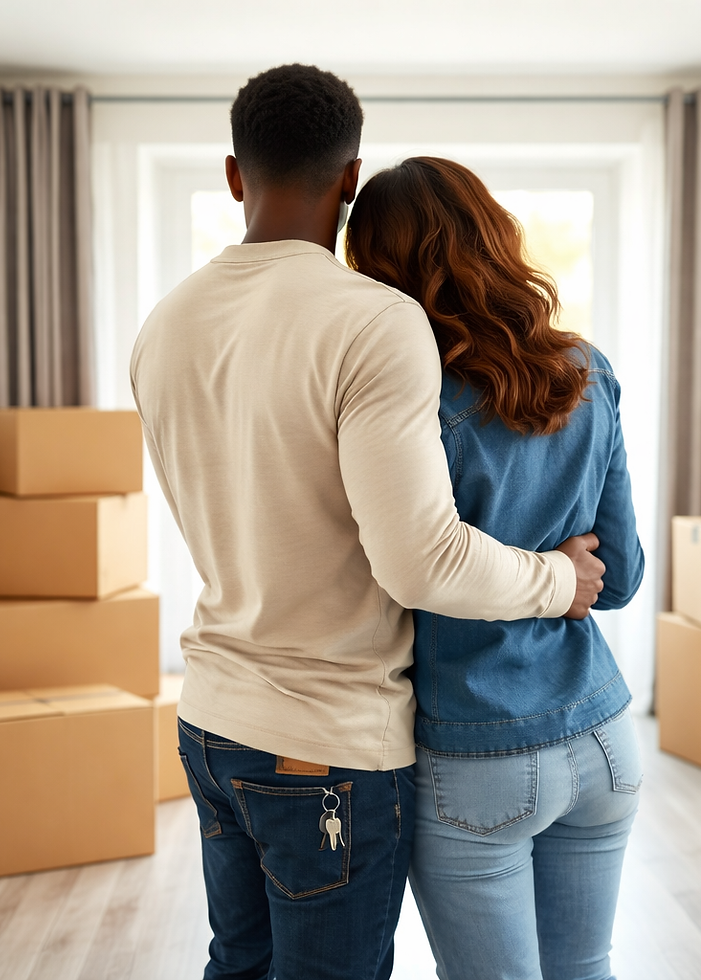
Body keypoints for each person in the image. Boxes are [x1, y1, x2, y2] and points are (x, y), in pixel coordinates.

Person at [131, 66, 606, 980]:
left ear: (236, 174)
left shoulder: (166, 324)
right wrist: (560, 579)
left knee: (237, 963)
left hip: (210, 723)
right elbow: (422, 563)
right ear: (351, 177)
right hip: (327, 746)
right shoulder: (375, 322)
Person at [346, 156, 645, 980]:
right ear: (498, 238)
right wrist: (561, 569)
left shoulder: (415, 409)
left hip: (478, 755)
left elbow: (398, 576)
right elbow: (617, 580)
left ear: (378, 273)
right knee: (586, 967)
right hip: (603, 734)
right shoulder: (588, 368)